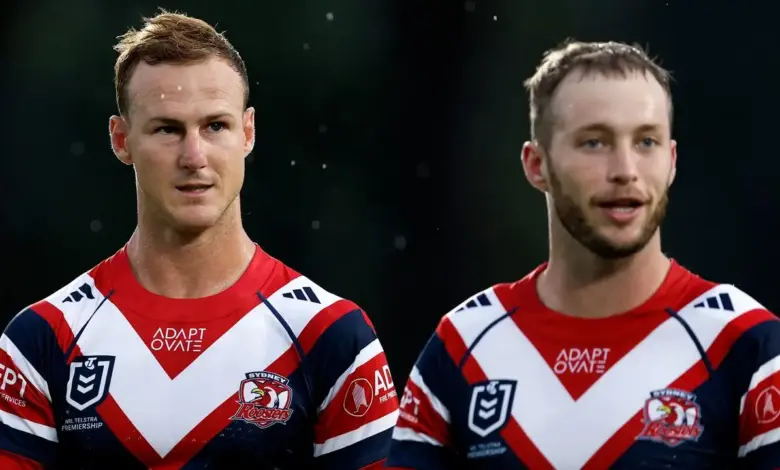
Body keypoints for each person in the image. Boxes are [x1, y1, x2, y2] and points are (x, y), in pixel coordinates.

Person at [0, 11, 398, 469]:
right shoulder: (45, 339)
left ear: (248, 132)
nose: (194, 156)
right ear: (121, 139)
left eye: (215, 126)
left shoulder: (330, 335)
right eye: (168, 129)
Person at [385, 40, 780, 469]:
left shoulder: (745, 345)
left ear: (671, 161)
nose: (625, 170)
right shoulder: (463, 346)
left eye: (646, 141)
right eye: (594, 142)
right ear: (537, 165)